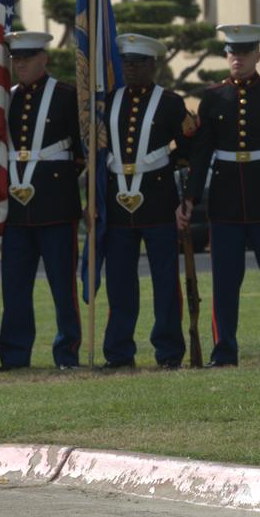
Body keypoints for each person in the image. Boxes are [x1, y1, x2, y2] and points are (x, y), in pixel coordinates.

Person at [176, 24, 260, 367]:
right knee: (225, 283)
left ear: (258, 55)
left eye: (245, 52)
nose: (238, 58)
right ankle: (224, 351)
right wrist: (190, 196)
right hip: (226, 200)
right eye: (232, 52)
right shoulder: (214, 97)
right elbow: (202, 153)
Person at [100, 33, 195, 370]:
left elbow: (186, 154)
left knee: (165, 282)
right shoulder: (109, 101)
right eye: (127, 62)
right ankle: (118, 351)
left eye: (139, 63)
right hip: (117, 204)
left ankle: (169, 351)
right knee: (120, 283)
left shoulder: (170, 103)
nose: (131, 68)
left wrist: (185, 200)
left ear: (153, 65)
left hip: (158, 202)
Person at [0, 30, 83, 370]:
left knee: (63, 287)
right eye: (16, 58)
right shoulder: (7, 98)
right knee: (15, 288)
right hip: (16, 211)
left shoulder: (65, 96)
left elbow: (80, 152)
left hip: (56, 205)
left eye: (28, 58)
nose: (21, 64)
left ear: (44, 58)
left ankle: (67, 352)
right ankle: (15, 355)